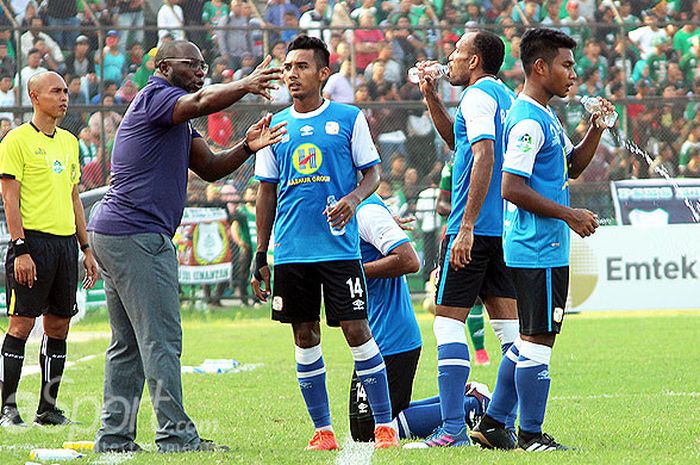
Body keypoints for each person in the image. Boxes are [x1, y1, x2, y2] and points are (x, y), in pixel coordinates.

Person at [87, 40, 286, 453]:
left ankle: (114, 436)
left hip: (117, 232)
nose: (201, 70)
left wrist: (246, 147)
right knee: (160, 339)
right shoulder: (158, 97)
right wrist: (246, 84)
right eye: (191, 64)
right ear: (163, 66)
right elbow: (199, 102)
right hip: (136, 234)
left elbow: (210, 168)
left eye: (203, 65)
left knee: (128, 345)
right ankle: (175, 435)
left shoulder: (172, 115)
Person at [251, 35, 398, 451]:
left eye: (300, 66)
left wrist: (352, 201)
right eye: (287, 67)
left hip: (338, 250)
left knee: (356, 329)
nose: (291, 74)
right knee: (304, 334)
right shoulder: (276, 127)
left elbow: (371, 174)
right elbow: (266, 191)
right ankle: (323, 430)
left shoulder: (349, 118)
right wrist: (262, 252)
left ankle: (385, 425)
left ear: (323, 73)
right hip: (293, 251)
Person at [470, 27, 609, 452]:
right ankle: (530, 434)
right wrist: (569, 215)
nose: (573, 73)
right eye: (566, 65)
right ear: (540, 67)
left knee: (530, 338)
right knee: (539, 340)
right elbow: (511, 186)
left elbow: (568, 167)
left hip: (540, 245)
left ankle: (494, 423)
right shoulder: (528, 120)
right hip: (537, 246)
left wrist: (596, 128)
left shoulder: (542, 113)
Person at [414, 29, 519, 447]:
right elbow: (460, 142)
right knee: (514, 334)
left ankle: (454, 428)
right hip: (503, 232)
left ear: (474, 61)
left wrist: (467, 226)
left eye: (457, 51)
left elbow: (484, 155)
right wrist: (432, 98)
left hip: (471, 229)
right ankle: (503, 423)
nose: (451, 58)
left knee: (446, 323)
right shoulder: (505, 97)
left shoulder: (476, 97)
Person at [349, 193, 492, 442]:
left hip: (391, 338)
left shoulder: (366, 211)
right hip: (374, 336)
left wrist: (347, 272)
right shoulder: (354, 209)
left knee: (370, 431)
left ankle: (472, 406)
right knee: (373, 424)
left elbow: (409, 260)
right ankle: (467, 397)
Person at [0, 71, 98, 426]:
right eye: (56, 91)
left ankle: (47, 408)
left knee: (58, 327)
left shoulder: (69, 142)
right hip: (32, 244)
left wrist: (85, 247)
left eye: (65, 91)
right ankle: (8, 408)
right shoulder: (16, 141)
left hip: (63, 246)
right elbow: (10, 199)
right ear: (34, 96)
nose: (64, 97)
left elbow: (74, 198)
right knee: (21, 325)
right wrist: (20, 247)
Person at [435, 160, 491, 367]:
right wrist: (468, 211)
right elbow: (441, 205)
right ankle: (480, 350)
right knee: (468, 301)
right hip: (459, 236)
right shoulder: (451, 165)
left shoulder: (498, 154)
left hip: (492, 233)